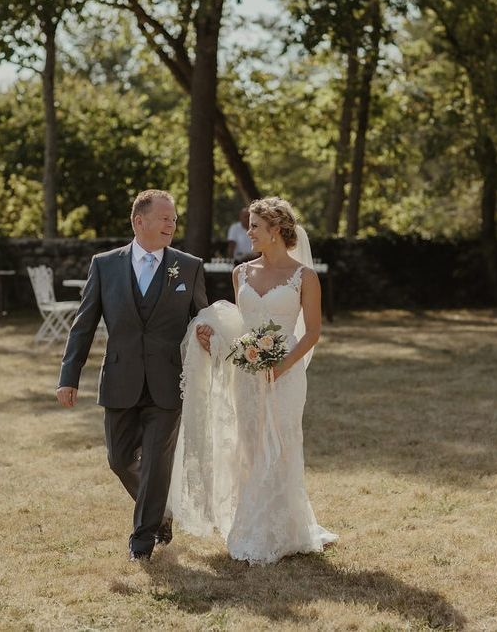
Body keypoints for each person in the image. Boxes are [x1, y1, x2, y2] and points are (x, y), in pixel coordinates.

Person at [168, 196, 337, 564]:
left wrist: (282, 367)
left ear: (276, 230)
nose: (249, 233)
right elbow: (241, 325)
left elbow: (311, 333)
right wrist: (213, 339)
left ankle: (279, 530)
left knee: (282, 444)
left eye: (256, 226)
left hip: (286, 374)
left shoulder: (304, 277)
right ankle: (255, 525)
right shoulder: (240, 273)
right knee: (250, 446)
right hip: (247, 373)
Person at [56, 189, 208, 561]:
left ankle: (142, 541)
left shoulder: (188, 266)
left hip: (168, 382)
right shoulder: (105, 265)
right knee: (119, 459)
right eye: (164, 217)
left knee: (157, 461)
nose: (172, 223)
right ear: (139, 221)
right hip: (120, 379)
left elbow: (201, 317)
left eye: (174, 218)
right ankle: (162, 512)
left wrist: (208, 334)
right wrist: (69, 374)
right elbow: (84, 323)